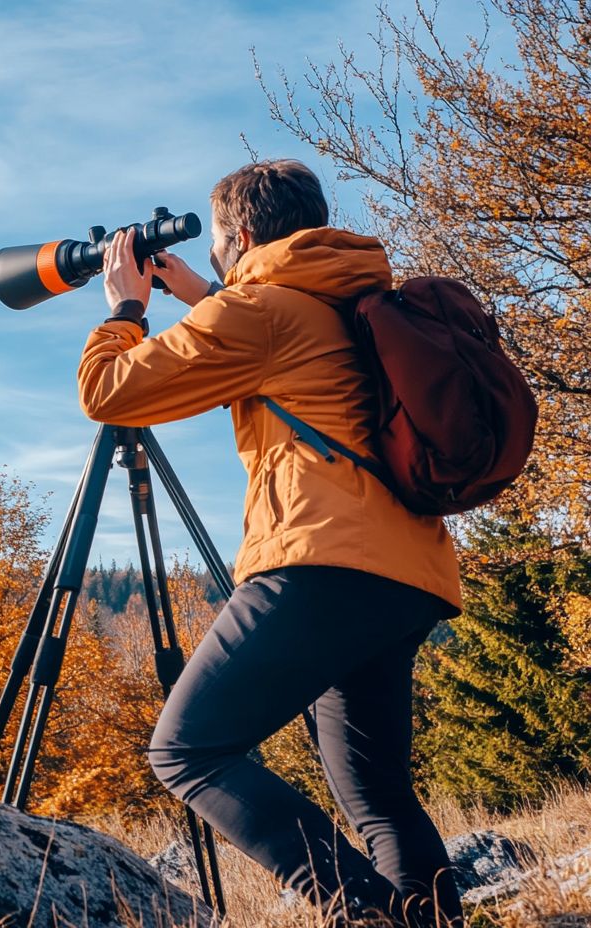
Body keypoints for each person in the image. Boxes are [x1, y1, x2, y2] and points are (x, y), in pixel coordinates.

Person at [78, 160, 464, 928]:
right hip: (405, 572)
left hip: (320, 563)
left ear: (244, 236)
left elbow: (109, 392)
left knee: (188, 751)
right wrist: (202, 295)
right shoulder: (349, 297)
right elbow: (284, 345)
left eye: (223, 247)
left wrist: (126, 305)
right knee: (378, 795)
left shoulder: (259, 312)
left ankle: (371, 916)